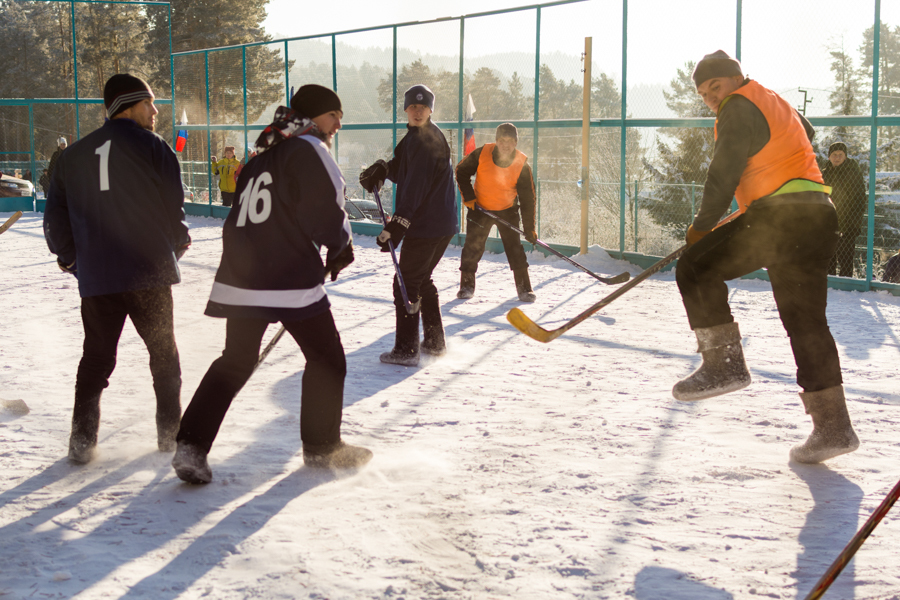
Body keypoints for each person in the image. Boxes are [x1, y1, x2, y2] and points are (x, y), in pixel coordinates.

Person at [171, 84, 367, 484]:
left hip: (242, 275)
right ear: (315, 119)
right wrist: (340, 245)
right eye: (334, 116)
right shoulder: (311, 149)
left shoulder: (265, 153)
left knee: (235, 361)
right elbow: (329, 204)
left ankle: (190, 446)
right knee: (327, 360)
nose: (338, 124)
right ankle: (322, 448)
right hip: (288, 276)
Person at [672, 50, 859, 464]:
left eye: (715, 87)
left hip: (782, 216)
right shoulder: (772, 101)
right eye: (704, 94)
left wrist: (703, 227)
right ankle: (833, 426)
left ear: (736, 78)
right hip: (814, 215)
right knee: (806, 323)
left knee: (694, 267)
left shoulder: (738, 106)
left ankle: (724, 365)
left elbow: (723, 172)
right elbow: (803, 131)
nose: (711, 99)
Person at [43, 74, 191, 464]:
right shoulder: (155, 147)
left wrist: (71, 259)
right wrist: (176, 244)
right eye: (150, 103)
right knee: (164, 358)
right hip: (149, 273)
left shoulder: (72, 155)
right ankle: (170, 439)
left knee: (95, 359)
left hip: (98, 277)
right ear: (128, 105)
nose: (156, 112)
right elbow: (173, 211)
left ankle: (81, 443)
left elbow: (54, 217)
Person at [359, 84, 459, 367]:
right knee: (420, 279)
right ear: (406, 109)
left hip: (428, 224)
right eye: (413, 107)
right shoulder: (416, 136)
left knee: (405, 282)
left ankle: (406, 350)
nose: (417, 111)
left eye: (423, 107)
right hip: (439, 223)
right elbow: (402, 166)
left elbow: (415, 185)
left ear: (430, 110)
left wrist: (398, 223)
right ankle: (435, 341)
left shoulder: (427, 141)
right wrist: (383, 170)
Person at [454, 123, 538, 302]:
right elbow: (461, 171)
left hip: (507, 210)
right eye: (501, 140)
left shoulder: (522, 164)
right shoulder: (482, 153)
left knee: (515, 249)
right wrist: (468, 197)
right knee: (472, 247)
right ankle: (466, 286)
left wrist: (530, 229)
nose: (505, 145)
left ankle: (525, 288)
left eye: (510, 141)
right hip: (480, 209)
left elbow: (528, 199)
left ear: (516, 142)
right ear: (496, 141)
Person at [822, 142, 867, 278]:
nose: (837, 157)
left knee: (845, 260)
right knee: (828, 258)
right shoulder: (824, 174)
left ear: (845, 156)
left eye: (840, 154)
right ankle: (829, 286)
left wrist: (854, 224)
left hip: (847, 224)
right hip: (828, 224)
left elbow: (860, 199)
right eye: (834, 155)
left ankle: (846, 287)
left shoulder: (853, 172)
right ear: (829, 157)